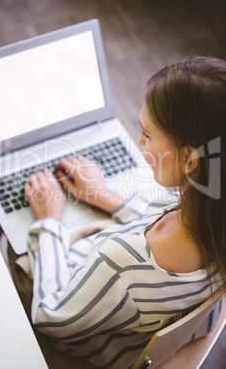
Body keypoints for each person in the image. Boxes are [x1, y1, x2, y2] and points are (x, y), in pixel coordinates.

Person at [23, 56, 226, 369]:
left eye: (147, 134)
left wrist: (49, 220)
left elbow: (50, 318)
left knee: (6, 245)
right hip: (136, 330)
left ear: (189, 160)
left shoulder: (117, 261)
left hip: (82, 342)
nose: (138, 141)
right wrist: (108, 199)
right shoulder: (212, 217)